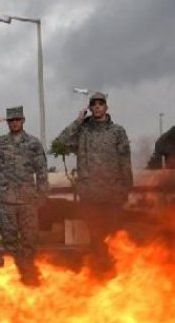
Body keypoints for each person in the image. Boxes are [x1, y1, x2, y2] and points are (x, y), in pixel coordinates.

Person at [55, 92, 132, 274]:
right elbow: (60, 143)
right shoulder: (82, 131)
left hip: (113, 194)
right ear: (90, 108)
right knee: (96, 237)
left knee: (113, 237)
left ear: (106, 107)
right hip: (90, 194)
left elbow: (125, 161)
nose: (97, 107)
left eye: (101, 104)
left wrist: (127, 188)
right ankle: (98, 274)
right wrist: (78, 121)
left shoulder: (117, 132)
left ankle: (115, 274)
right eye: (94, 104)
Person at [0, 106, 49, 284]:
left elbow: (42, 171)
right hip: (6, 201)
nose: (15, 123)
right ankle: (14, 277)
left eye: (17, 120)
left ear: (23, 121)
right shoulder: (0, 142)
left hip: (28, 201)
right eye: (11, 120)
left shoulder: (33, 143)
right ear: (8, 123)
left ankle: (28, 276)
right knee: (9, 242)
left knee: (29, 241)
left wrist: (42, 197)